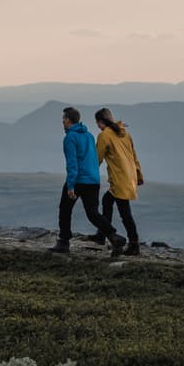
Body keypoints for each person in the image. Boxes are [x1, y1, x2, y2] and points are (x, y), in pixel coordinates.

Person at [52, 106, 124, 255]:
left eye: (63, 119)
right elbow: (94, 158)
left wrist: (71, 185)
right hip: (93, 180)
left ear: (67, 120)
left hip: (78, 180)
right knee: (92, 213)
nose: (62, 122)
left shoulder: (70, 138)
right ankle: (114, 236)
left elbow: (72, 163)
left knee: (65, 209)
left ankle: (63, 242)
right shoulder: (89, 135)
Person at [95, 107, 145, 256]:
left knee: (125, 212)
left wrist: (88, 172)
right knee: (107, 201)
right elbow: (133, 155)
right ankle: (104, 234)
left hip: (119, 178)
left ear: (101, 121)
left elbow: (97, 158)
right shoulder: (125, 133)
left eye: (97, 122)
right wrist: (139, 175)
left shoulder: (104, 135)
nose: (97, 126)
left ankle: (133, 244)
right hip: (129, 176)